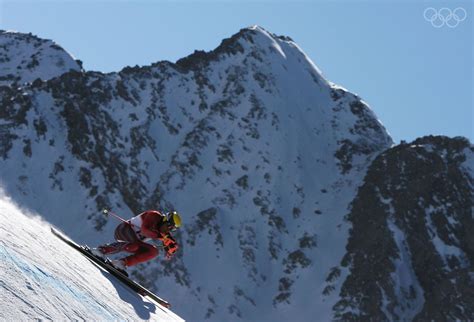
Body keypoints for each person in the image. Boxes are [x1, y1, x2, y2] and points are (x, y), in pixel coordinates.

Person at [93, 210, 182, 270]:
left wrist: (170, 249)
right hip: (124, 230)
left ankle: (121, 263)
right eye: (169, 226)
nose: (169, 230)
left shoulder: (163, 231)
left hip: (134, 241)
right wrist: (162, 238)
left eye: (172, 229)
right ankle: (101, 250)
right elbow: (145, 230)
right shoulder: (154, 215)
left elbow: (169, 241)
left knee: (153, 251)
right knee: (134, 245)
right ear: (165, 220)